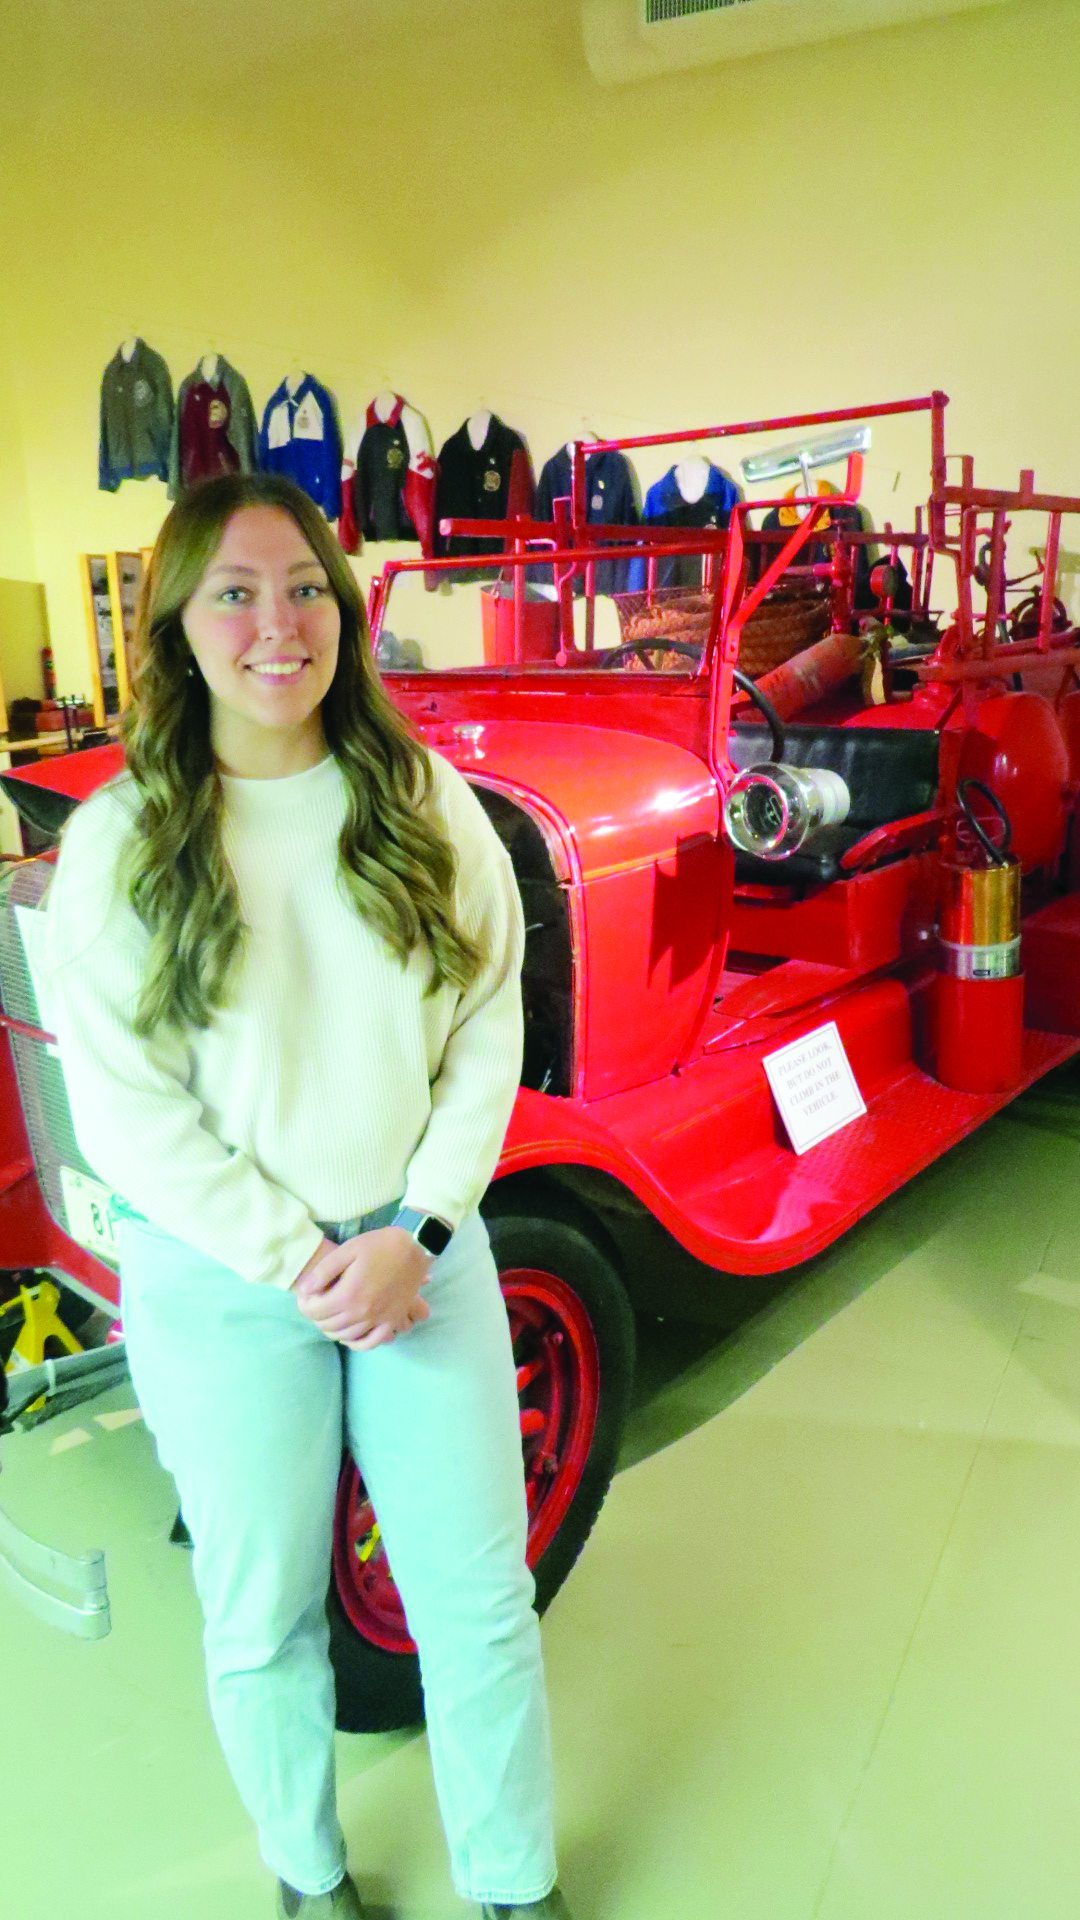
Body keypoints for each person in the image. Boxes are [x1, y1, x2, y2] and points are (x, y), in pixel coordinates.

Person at [43, 472, 573, 1920]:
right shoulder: (122, 844)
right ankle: (310, 1878)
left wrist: (420, 1229)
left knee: (478, 1602)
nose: (277, 624)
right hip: (223, 1281)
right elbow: (126, 1111)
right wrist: (299, 1258)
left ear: (343, 610)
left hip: (422, 1258)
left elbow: (490, 1022)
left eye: (304, 591)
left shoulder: (421, 800)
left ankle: (514, 1885)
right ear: (177, 625)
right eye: (234, 593)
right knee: (261, 1610)